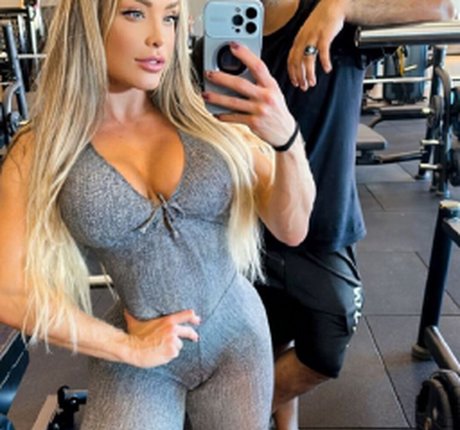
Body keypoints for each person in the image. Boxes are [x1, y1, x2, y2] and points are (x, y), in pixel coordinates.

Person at [0, 0, 316, 429]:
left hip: (237, 338)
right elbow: (9, 293)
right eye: (135, 13)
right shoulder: (40, 148)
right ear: (88, 22)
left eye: (170, 18)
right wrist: (127, 347)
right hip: (139, 345)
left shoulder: (213, 121)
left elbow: (292, 228)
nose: (158, 38)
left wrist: (288, 142)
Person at [197, 0, 457, 429]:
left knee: (324, 348)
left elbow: (444, 7)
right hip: (243, 230)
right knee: (265, 337)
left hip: (319, 227)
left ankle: (229, 415)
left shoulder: (333, 22)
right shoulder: (220, 34)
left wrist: (341, 6)